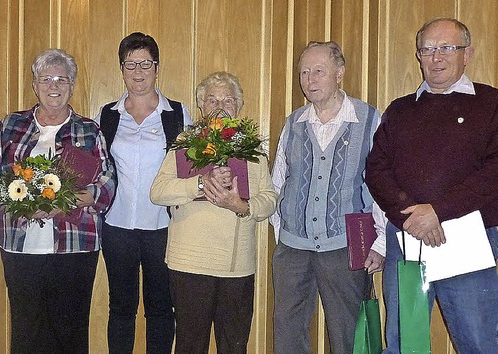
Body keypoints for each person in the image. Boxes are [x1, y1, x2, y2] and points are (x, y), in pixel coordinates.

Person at [365, 18, 498, 353]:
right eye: (427, 49)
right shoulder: (399, 110)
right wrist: (413, 217)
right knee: (403, 343)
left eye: (446, 48)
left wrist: (438, 212)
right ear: (418, 56)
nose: (436, 57)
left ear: (467, 53)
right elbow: (376, 169)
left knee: (478, 341)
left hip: (469, 239)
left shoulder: (492, 103)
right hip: (408, 239)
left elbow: (494, 172)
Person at [0, 48, 115, 353]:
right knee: (26, 330)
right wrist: (19, 202)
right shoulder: (11, 126)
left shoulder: (89, 130)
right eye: (46, 79)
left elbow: (107, 184)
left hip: (76, 246)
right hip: (20, 245)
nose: (54, 86)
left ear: (72, 85)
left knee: (71, 330)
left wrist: (65, 202)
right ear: (35, 85)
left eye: (62, 79)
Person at [269, 41, 386, 354]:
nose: (310, 80)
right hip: (293, 249)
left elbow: (383, 188)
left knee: (349, 335)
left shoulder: (370, 120)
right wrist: (284, 234)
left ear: (340, 73)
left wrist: (380, 244)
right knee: (288, 336)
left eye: (318, 71)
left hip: (345, 247)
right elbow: (277, 183)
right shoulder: (293, 124)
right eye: (304, 73)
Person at [150, 71, 276, 353]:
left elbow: (269, 200)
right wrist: (198, 183)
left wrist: (242, 206)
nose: (220, 107)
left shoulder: (252, 149)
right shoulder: (185, 143)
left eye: (228, 100)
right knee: (190, 345)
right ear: (201, 108)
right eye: (212, 100)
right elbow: (158, 192)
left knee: (234, 345)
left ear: (239, 107)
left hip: (236, 266)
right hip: (190, 263)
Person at [95, 32, 192, 354]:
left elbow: (191, 169)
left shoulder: (178, 115)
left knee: (161, 309)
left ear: (157, 66)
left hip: (163, 227)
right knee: (120, 308)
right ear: (121, 69)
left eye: (145, 64)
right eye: (130, 64)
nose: (138, 72)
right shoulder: (105, 116)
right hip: (116, 226)